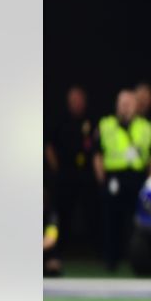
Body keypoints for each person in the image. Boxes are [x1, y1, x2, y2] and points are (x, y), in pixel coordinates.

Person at [94, 90, 151, 271]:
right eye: (122, 103)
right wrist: (101, 180)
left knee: (136, 222)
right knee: (111, 221)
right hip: (114, 178)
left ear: (136, 106)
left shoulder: (146, 127)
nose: (125, 107)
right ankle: (111, 260)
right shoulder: (106, 125)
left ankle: (136, 260)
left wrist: (150, 182)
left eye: (128, 103)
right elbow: (97, 154)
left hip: (137, 178)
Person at [45, 85, 98, 253]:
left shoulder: (91, 120)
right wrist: (56, 169)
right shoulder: (60, 119)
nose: (77, 104)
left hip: (86, 174)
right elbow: (48, 145)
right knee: (61, 214)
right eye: (73, 100)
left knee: (91, 213)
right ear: (69, 102)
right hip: (65, 174)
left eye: (80, 100)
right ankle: (55, 250)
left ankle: (95, 250)